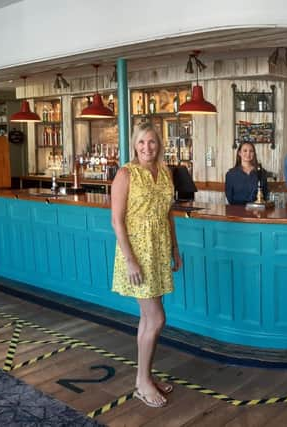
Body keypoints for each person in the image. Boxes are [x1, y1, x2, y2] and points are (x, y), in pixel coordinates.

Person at [111, 123, 182, 408]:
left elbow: (168, 215)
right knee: (157, 319)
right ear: (135, 144)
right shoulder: (126, 173)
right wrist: (129, 260)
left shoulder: (165, 173)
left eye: (151, 142)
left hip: (159, 249)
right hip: (137, 254)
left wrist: (176, 248)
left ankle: (146, 377)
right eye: (141, 142)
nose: (147, 148)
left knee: (147, 319)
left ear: (159, 144)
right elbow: (116, 220)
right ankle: (142, 382)